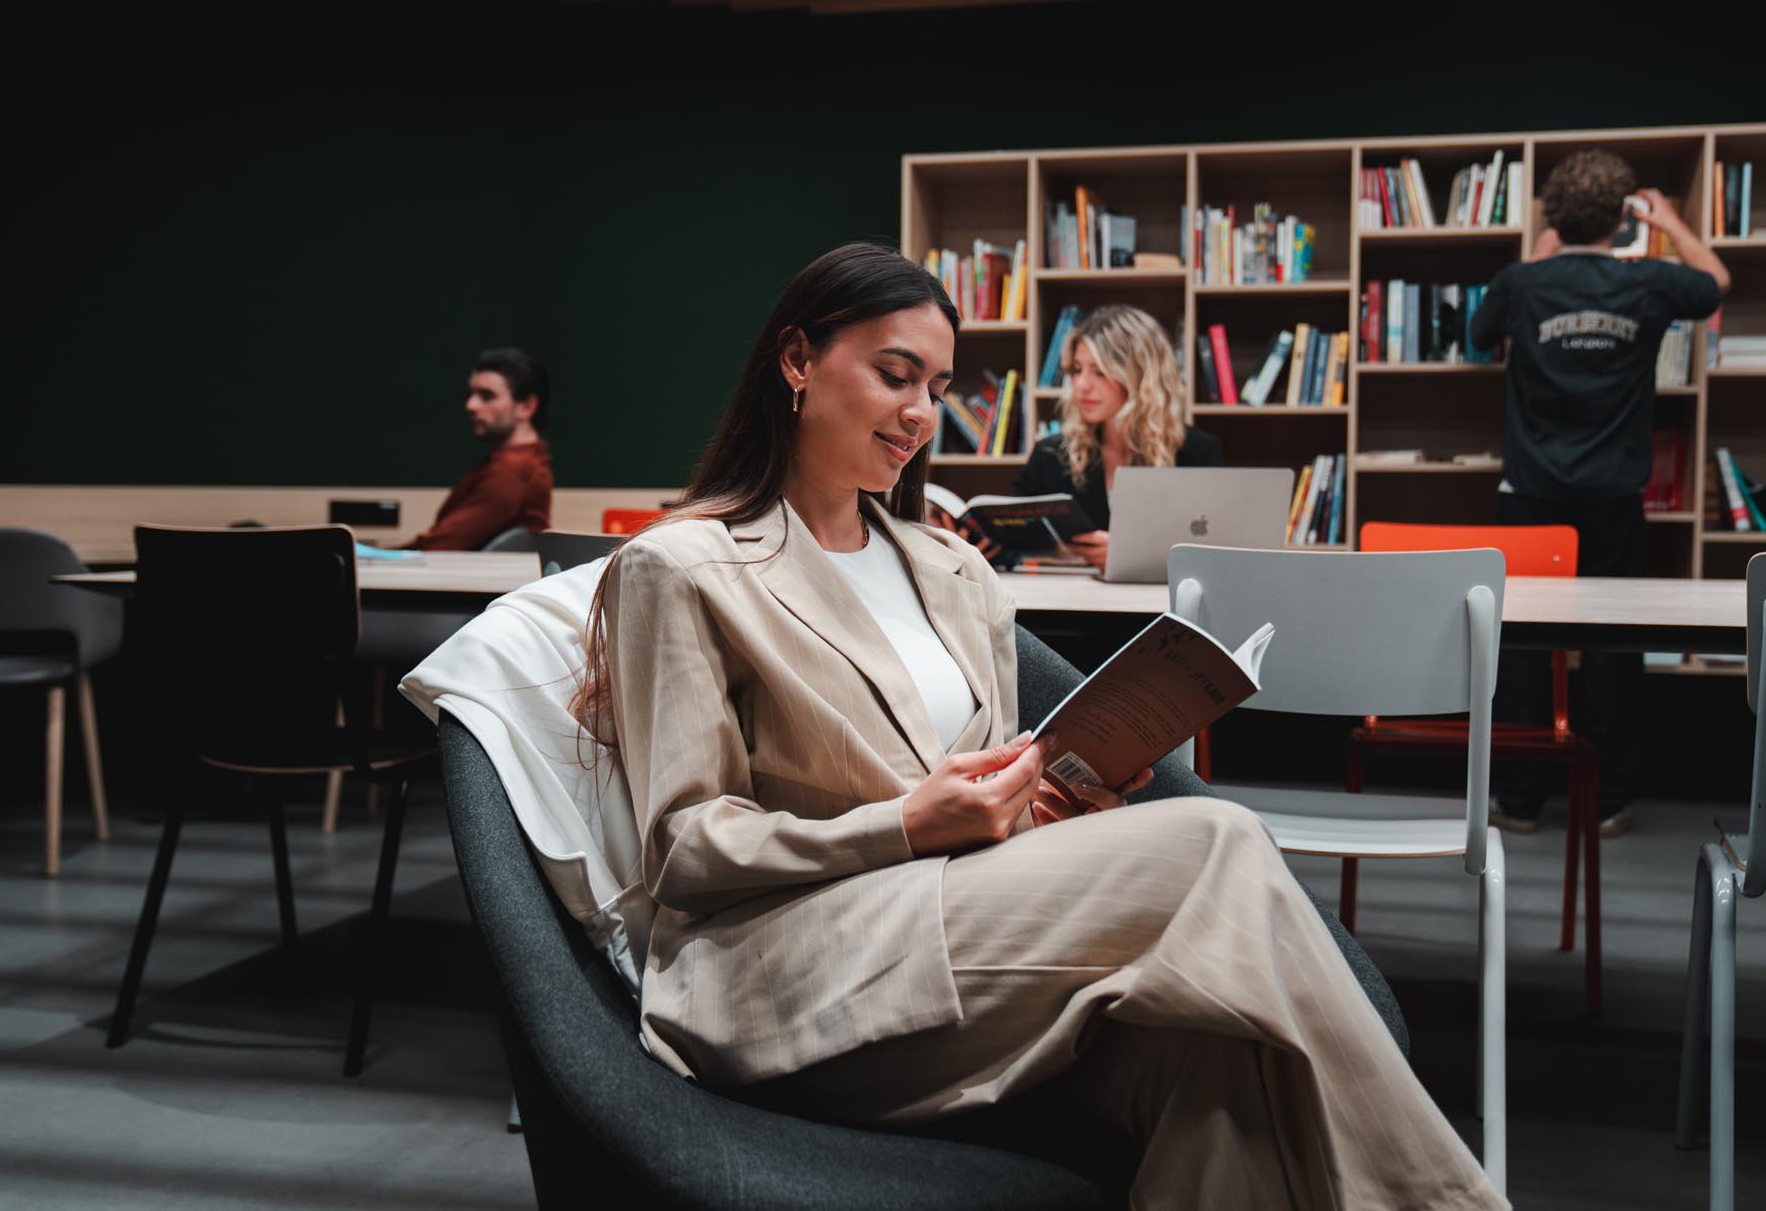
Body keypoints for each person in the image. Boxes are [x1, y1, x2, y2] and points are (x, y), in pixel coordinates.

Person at [575, 243, 1505, 1210]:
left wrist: (1052, 797)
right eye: (895, 375)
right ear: (797, 359)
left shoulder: (955, 571)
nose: (921, 413)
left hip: (968, 924)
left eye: (937, 388)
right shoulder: (685, 568)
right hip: (793, 968)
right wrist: (904, 825)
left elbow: (989, 786)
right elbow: (683, 848)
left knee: (1222, 1067)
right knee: (1216, 838)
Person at [1467, 150, 1729, 836]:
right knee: (1613, 645)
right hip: (1613, 494)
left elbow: (1478, 338)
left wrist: (1538, 253)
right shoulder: (1647, 281)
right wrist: (1668, 221)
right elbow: (1715, 282)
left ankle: (1517, 800)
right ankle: (1607, 800)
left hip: (1531, 495)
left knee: (1521, 643)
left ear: (1554, 217)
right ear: (1622, 218)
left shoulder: (1521, 283)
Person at [998, 304, 1221, 571]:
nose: (1081, 385)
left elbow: (1215, 556)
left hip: (1156, 597)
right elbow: (1005, 538)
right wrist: (977, 539)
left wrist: (1130, 554)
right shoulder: (1053, 454)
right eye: (1077, 370)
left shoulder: (1197, 452)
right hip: (1067, 597)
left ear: (1141, 376)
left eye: (1100, 372)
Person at [404, 347, 554, 551]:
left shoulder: (513, 471)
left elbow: (439, 547)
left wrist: (378, 557)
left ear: (527, 407)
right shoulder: (521, 464)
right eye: (471, 394)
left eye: (487, 396)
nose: (471, 405)